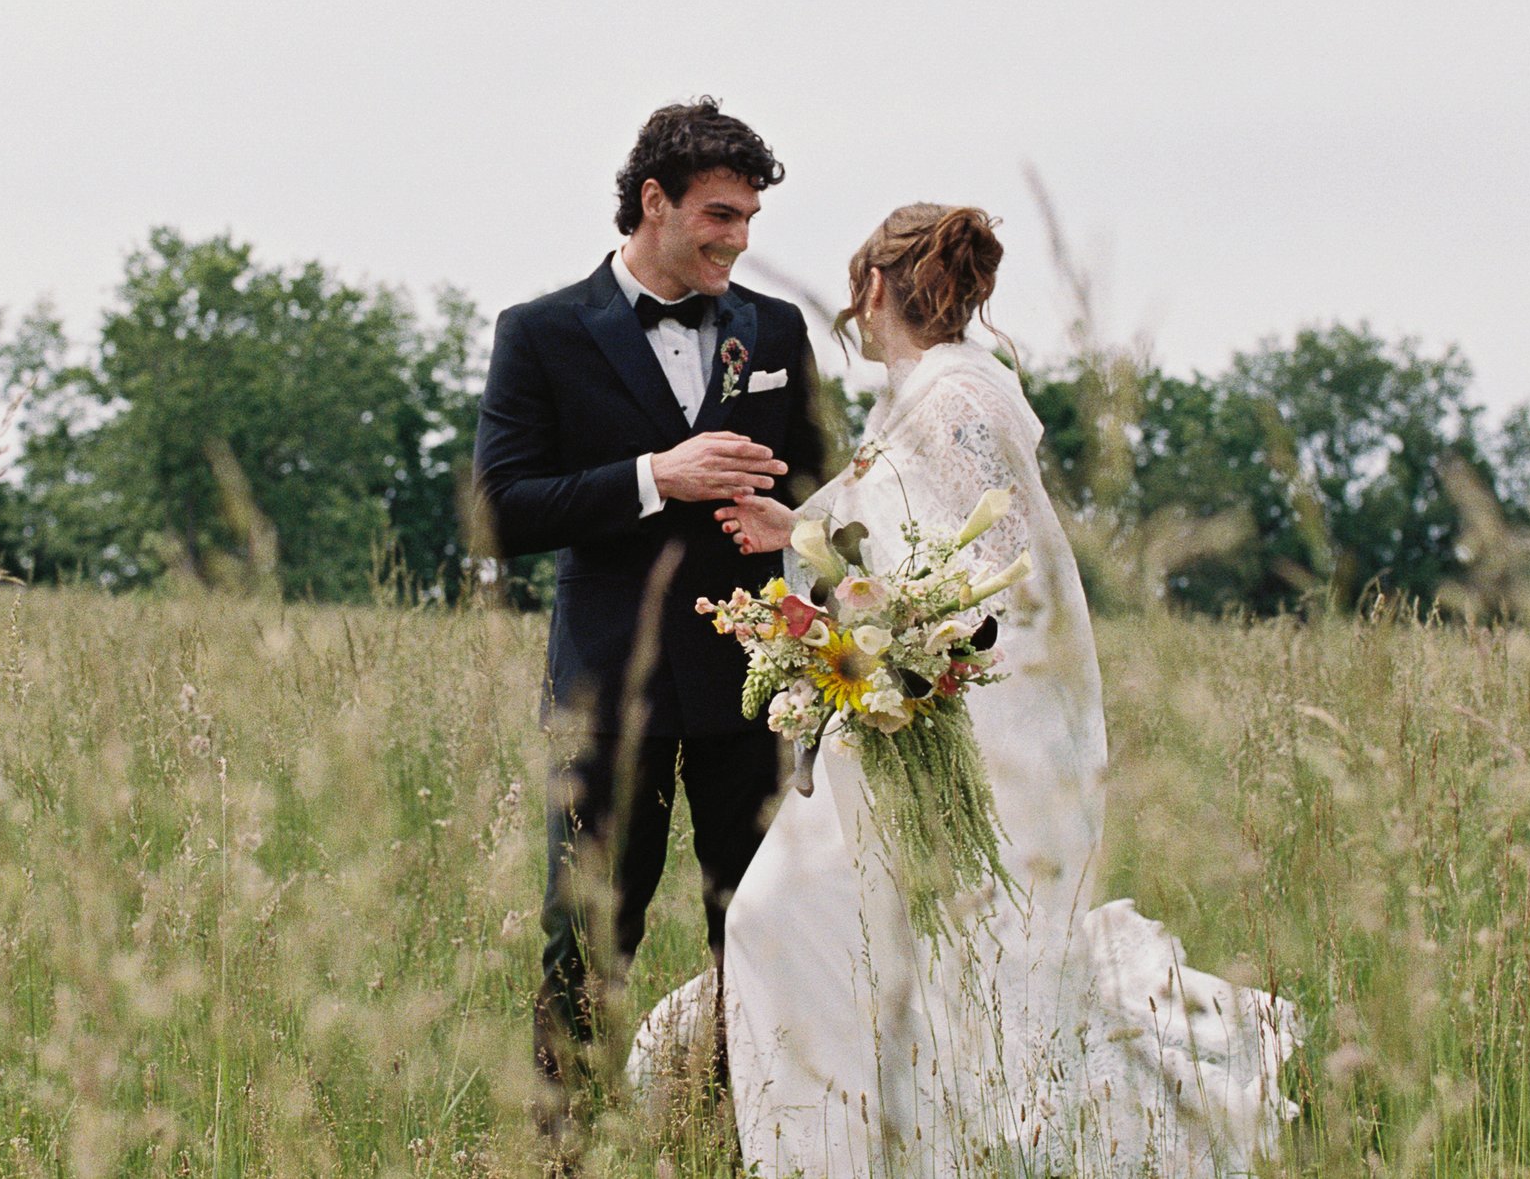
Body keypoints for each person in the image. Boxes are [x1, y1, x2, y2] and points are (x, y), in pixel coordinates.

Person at [637, 204, 1301, 1177]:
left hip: (941, 724)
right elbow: (890, 528)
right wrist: (799, 527)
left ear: (871, 285)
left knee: (798, 922)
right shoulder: (916, 396)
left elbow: (995, 560)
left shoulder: (957, 393)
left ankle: (851, 1149)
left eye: (854, 289)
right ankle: (845, 1143)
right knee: (825, 932)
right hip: (892, 719)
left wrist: (890, 640)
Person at [472, 99, 829, 1137]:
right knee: (587, 939)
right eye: (720, 212)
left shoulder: (777, 329)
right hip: (604, 686)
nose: (738, 237)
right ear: (653, 201)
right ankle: (564, 1157)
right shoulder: (537, 332)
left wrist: (791, 519)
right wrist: (650, 476)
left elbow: (815, 484)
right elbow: (499, 510)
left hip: (750, 680)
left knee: (759, 931)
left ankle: (748, 1140)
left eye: (751, 217)